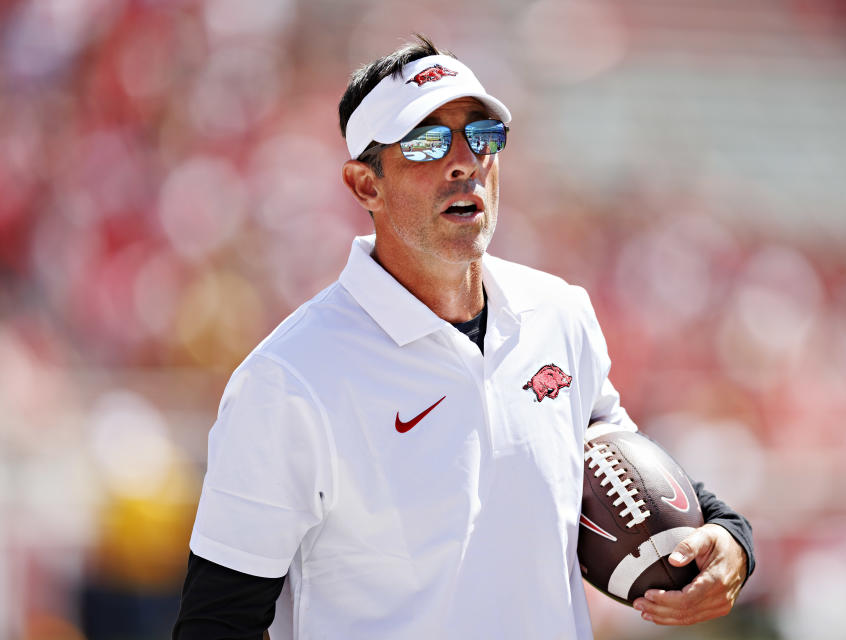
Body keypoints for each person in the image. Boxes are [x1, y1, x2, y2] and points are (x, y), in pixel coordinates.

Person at [173, 35, 755, 639]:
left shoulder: (560, 314)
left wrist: (730, 538)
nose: (462, 161)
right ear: (364, 185)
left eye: (482, 136)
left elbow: (611, 458)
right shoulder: (288, 379)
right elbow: (218, 621)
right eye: (425, 142)